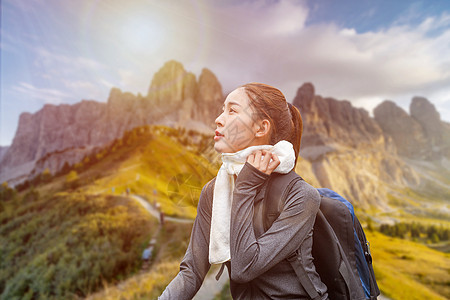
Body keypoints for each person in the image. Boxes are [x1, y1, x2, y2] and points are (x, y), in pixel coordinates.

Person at [159, 83, 328, 299]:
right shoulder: (215, 190)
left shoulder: (300, 195)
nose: (219, 119)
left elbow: (244, 268)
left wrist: (246, 186)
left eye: (232, 110)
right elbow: (191, 272)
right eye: (223, 109)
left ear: (261, 128)